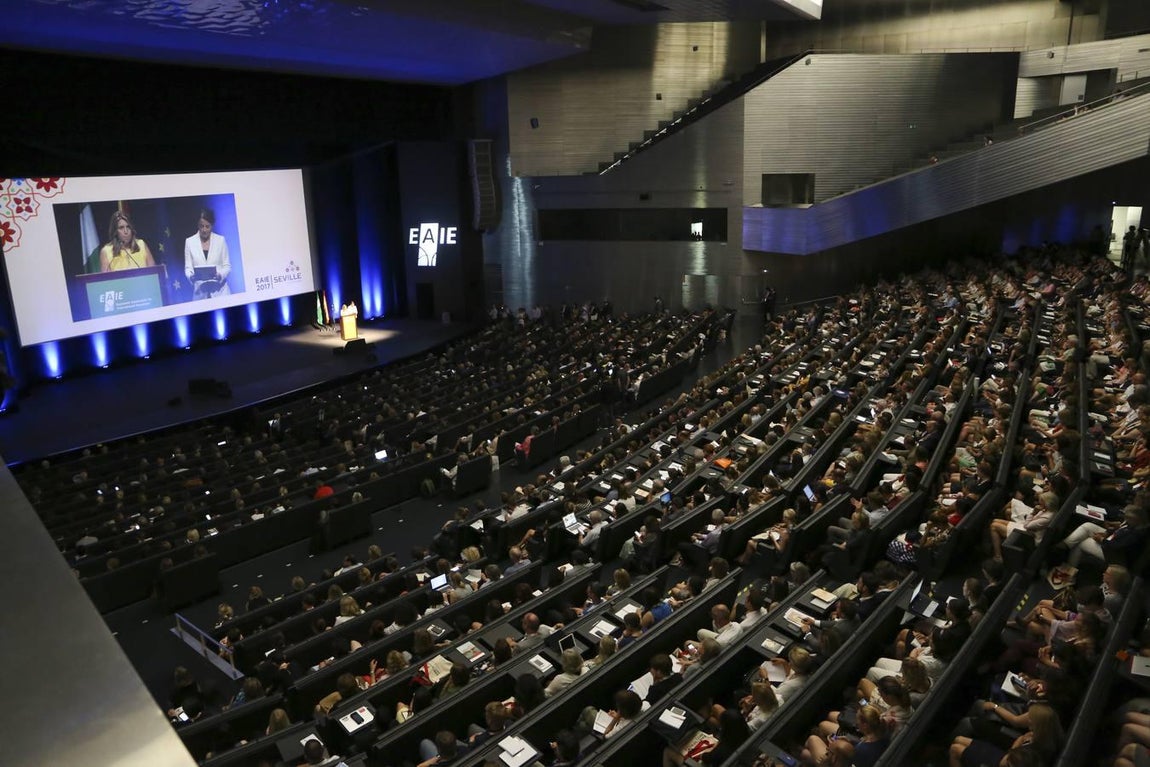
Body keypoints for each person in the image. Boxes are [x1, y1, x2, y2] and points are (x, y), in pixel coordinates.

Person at [184, 207, 231, 299]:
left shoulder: (220, 240)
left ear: (212, 225)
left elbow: (227, 266)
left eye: (207, 226)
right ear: (198, 225)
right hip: (200, 294)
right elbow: (188, 268)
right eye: (201, 226)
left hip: (221, 293)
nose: (204, 230)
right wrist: (191, 276)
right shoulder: (189, 242)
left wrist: (220, 275)